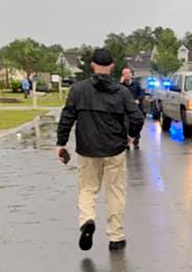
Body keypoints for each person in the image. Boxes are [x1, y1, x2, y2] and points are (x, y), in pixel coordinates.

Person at [56, 48, 145, 252]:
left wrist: (61, 143)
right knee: (115, 192)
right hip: (114, 149)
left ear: (92, 65)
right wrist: (130, 136)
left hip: (87, 150)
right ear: (113, 66)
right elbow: (137, 117)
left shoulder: (78, 90)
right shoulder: (121, 92)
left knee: (87, 189)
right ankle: (116, 236)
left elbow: (67, 117)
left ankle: (87, 220)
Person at [120, 67, 145, 148]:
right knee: (126, 125)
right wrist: (120, 83)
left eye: (128, 73)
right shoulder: (120, 86)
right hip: (125, 110)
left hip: (136, 108)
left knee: (136, 124)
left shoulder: (136, 84)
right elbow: (116, 93)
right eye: (124, 74)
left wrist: (138, 100)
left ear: (131, 74)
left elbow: (141, 94)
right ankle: (126, 142)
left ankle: (136, 140)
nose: (126, 75)